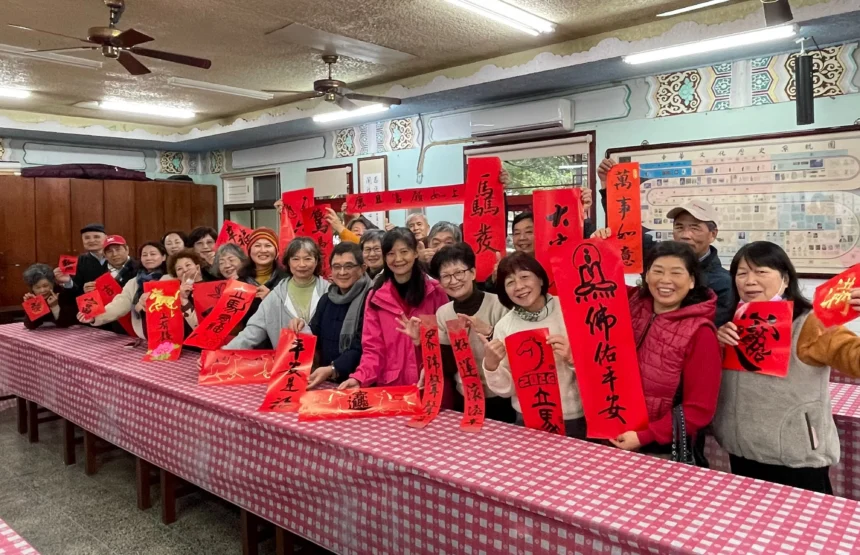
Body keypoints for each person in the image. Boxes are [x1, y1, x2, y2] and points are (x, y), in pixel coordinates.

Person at [713, 241, 860, 494]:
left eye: (761, 271)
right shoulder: (731, 322)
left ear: (785, 278)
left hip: (795, 457)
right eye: (741, 273)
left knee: (807, 530)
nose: (749, 281)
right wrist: (717, 341)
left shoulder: (811, 323)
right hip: (741, 450)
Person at [590, 235, 722, 457]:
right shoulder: (629, 303)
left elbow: (699, 409)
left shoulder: (700, 333)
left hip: (658, 448)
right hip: (609, 430)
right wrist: (598, 245)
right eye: (658, 271)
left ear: (692, 280)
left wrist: (645, 435)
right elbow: (589, 283)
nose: (665, 280)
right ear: (646, 275)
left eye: (676, 272)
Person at [479, 253, 584, 437]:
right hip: (527, 417)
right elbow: (507, 390)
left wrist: (572, 357)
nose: (519, 286)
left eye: (525, 277)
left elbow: (601, 371)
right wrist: (491, 366)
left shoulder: (571, 311)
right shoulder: (505, 326)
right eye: (510, 282)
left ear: (541, 279)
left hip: (574, 416)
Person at [339, 228, 449, 389]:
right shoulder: (376, 297)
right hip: (393, 388)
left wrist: (425, 348)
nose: (398, 259)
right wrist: (359, 378)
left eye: (404, 251)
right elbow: (372, 348)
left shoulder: (436, 292)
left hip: (431, 386)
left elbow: (448, 343)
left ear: (416, 252)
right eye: (390, 253)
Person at [430, 244, 514, 422]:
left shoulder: (499, 305)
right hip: (464, 397)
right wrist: (422, 342)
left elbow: (512, 355)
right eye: (446, 276)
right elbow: (447, 366)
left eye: (459, 272)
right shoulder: (443, 313)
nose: (453, 281)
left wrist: (489, 331)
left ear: (473, 273)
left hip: (500, 396)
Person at [222, 238, 329, 350]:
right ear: (288, 262)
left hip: (324, 365)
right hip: (287, 365)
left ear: (316, 261)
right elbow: (251, 333)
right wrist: (221, 354)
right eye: (295, 259)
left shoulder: (330, 292)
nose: (301, 264)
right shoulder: (275, 296)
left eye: (307, 259)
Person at [293, 242, 374, 388]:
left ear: (363, 268)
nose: (342, 272)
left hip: (359, 382)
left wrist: (334, 368)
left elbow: (362, 345)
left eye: (349, 266)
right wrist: (301, 327)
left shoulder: (372, 298)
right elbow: (314, 334)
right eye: (337, 267)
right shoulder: (327, 298)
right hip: (326, 381)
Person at [79, 242, 168, 339]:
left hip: (169, 332)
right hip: (145, 335)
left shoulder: (172, 279)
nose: (148, 258)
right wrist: (95, 317)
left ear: (164, 257)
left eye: (153, 254)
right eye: (144, 255)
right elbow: (119, 305)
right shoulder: (134, 282)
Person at [54, 223, 108, 297]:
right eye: (87, 238)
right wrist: (68, 282)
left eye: (96, 237)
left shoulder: (117, 259)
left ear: (106, 238)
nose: (91, 241)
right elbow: (72, 294)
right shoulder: (76, 262)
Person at [22, 263, 75, 329]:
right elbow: (30, 326)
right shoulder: (33, 297)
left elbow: (65, 323)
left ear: (52, 284)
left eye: (45, 285)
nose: (42, 290)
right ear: (32, 288)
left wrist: (55, 306)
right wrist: (32, 307)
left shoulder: (62, 293)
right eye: (38, 287)